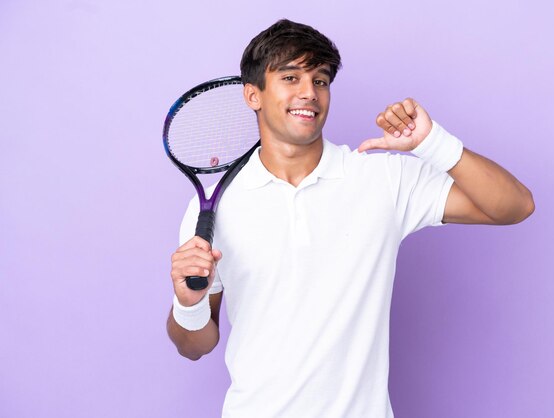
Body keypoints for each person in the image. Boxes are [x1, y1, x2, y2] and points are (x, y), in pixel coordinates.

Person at [166, 19, 534, 418]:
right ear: (253, 95)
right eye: (290, 77)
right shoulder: (213, 208)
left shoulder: (383, 179)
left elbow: (515, 206)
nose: (309, 93)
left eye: (320, 80)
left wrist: (433, 144)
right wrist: (188, 303)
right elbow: (194, 346)